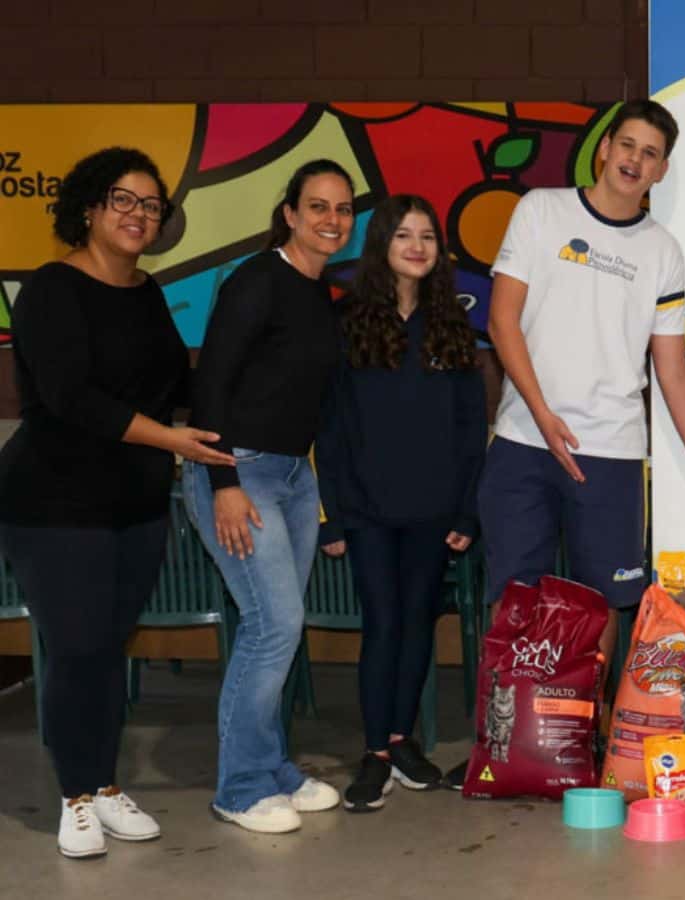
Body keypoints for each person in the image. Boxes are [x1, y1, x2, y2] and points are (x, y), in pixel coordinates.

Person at [475, 97, 685, 723]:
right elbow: (502, 318)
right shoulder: (541, 211)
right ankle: (507, 732)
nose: (634, 160)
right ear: (604, 149)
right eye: (627, 145)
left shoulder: (663, 251)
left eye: (650, 154)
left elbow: (671, 368)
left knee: (604, 606)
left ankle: (581, 734)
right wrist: (541, 414)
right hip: (523, 440)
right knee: (516, 597)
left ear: (661, 171)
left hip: (614, 454)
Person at [0, 148, 234, 859]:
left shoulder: (146, 291)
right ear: (90, 209)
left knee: (106, 649)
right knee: (74, 650)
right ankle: (74, 796)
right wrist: (173, 440)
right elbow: (72, 398)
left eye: (150, 205)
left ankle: (103, 785)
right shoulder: (50, 289)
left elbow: (171, 388)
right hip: (55, 504)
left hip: (135, 504)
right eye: (123, 201)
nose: (137, 215)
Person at [183, 159, 353, 833]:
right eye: (317, 207)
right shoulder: (256, 282)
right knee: (271, 625)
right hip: (239, 472)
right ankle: (241, 785)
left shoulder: (320, 293)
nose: (331, 220)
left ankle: (275, 768)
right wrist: (223, 482)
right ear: (289, 213)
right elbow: (211, 384)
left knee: (281, 627)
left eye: (341, 209)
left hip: (291, 475)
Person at [315, 195, 487, 811]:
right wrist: (332, 514)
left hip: (434, 508)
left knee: (417, 623)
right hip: (364, 508)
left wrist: (467, 511)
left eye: (428, 237)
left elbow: (472, 429)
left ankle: (400, 740)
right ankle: (374, 753)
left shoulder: (451, 325)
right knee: (382, 623)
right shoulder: (347, 322)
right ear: (382, 244)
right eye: (403, 235)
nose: (417, 246)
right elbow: (329, 427)